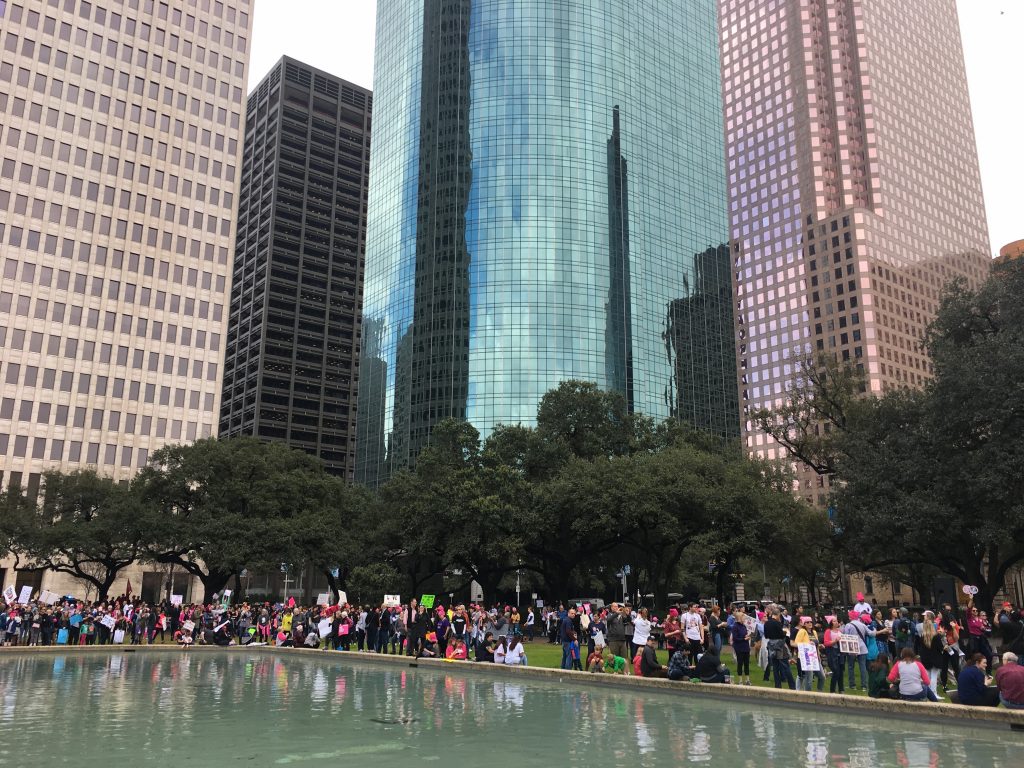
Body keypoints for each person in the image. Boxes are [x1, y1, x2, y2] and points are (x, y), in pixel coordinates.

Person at [916, 613, 946, 698]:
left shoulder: (922, 636)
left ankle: (928, 693)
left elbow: (920, 648)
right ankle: (934, 693)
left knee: (928, 676)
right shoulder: (936, 636)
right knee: (934, 676)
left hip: (926, 659)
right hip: (935, 659)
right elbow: (940, 647)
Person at [605, 603, 630, 673]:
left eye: (617, 606)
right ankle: (617, 671)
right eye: (615, 606)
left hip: (622, 639)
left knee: (624, 657)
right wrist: (616, 613)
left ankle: (626, 671)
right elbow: (609, 619)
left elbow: (627, 622)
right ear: (611, 607)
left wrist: (627, 614)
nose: (616, 607)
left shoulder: (621, 615)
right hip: (613, 639)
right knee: (615, 657)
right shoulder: (610, 614)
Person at [823, 617, 845, 694]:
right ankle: (832, 690)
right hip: (832, 654)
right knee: (836, 672)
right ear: (831, 623)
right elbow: (826, 643)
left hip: (840, 654)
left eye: (836, 621)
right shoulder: (828, 631)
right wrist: (835, 641)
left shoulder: (840, 631)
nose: (836, 622)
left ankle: (841, 689)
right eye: (834, 621)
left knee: (841, 672)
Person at [730, 610, 752, 686]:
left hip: (746, 646)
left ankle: (747, 679)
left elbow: (744, 634)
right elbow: (735, 638)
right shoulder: (735, 627)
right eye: (743, 617)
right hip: (739, 647)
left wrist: (747, 636)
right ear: (739, 618)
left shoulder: (743, 626)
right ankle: (740, 680)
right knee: (740, 663)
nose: (745, 619)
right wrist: (743, 638)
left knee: (746, 663)